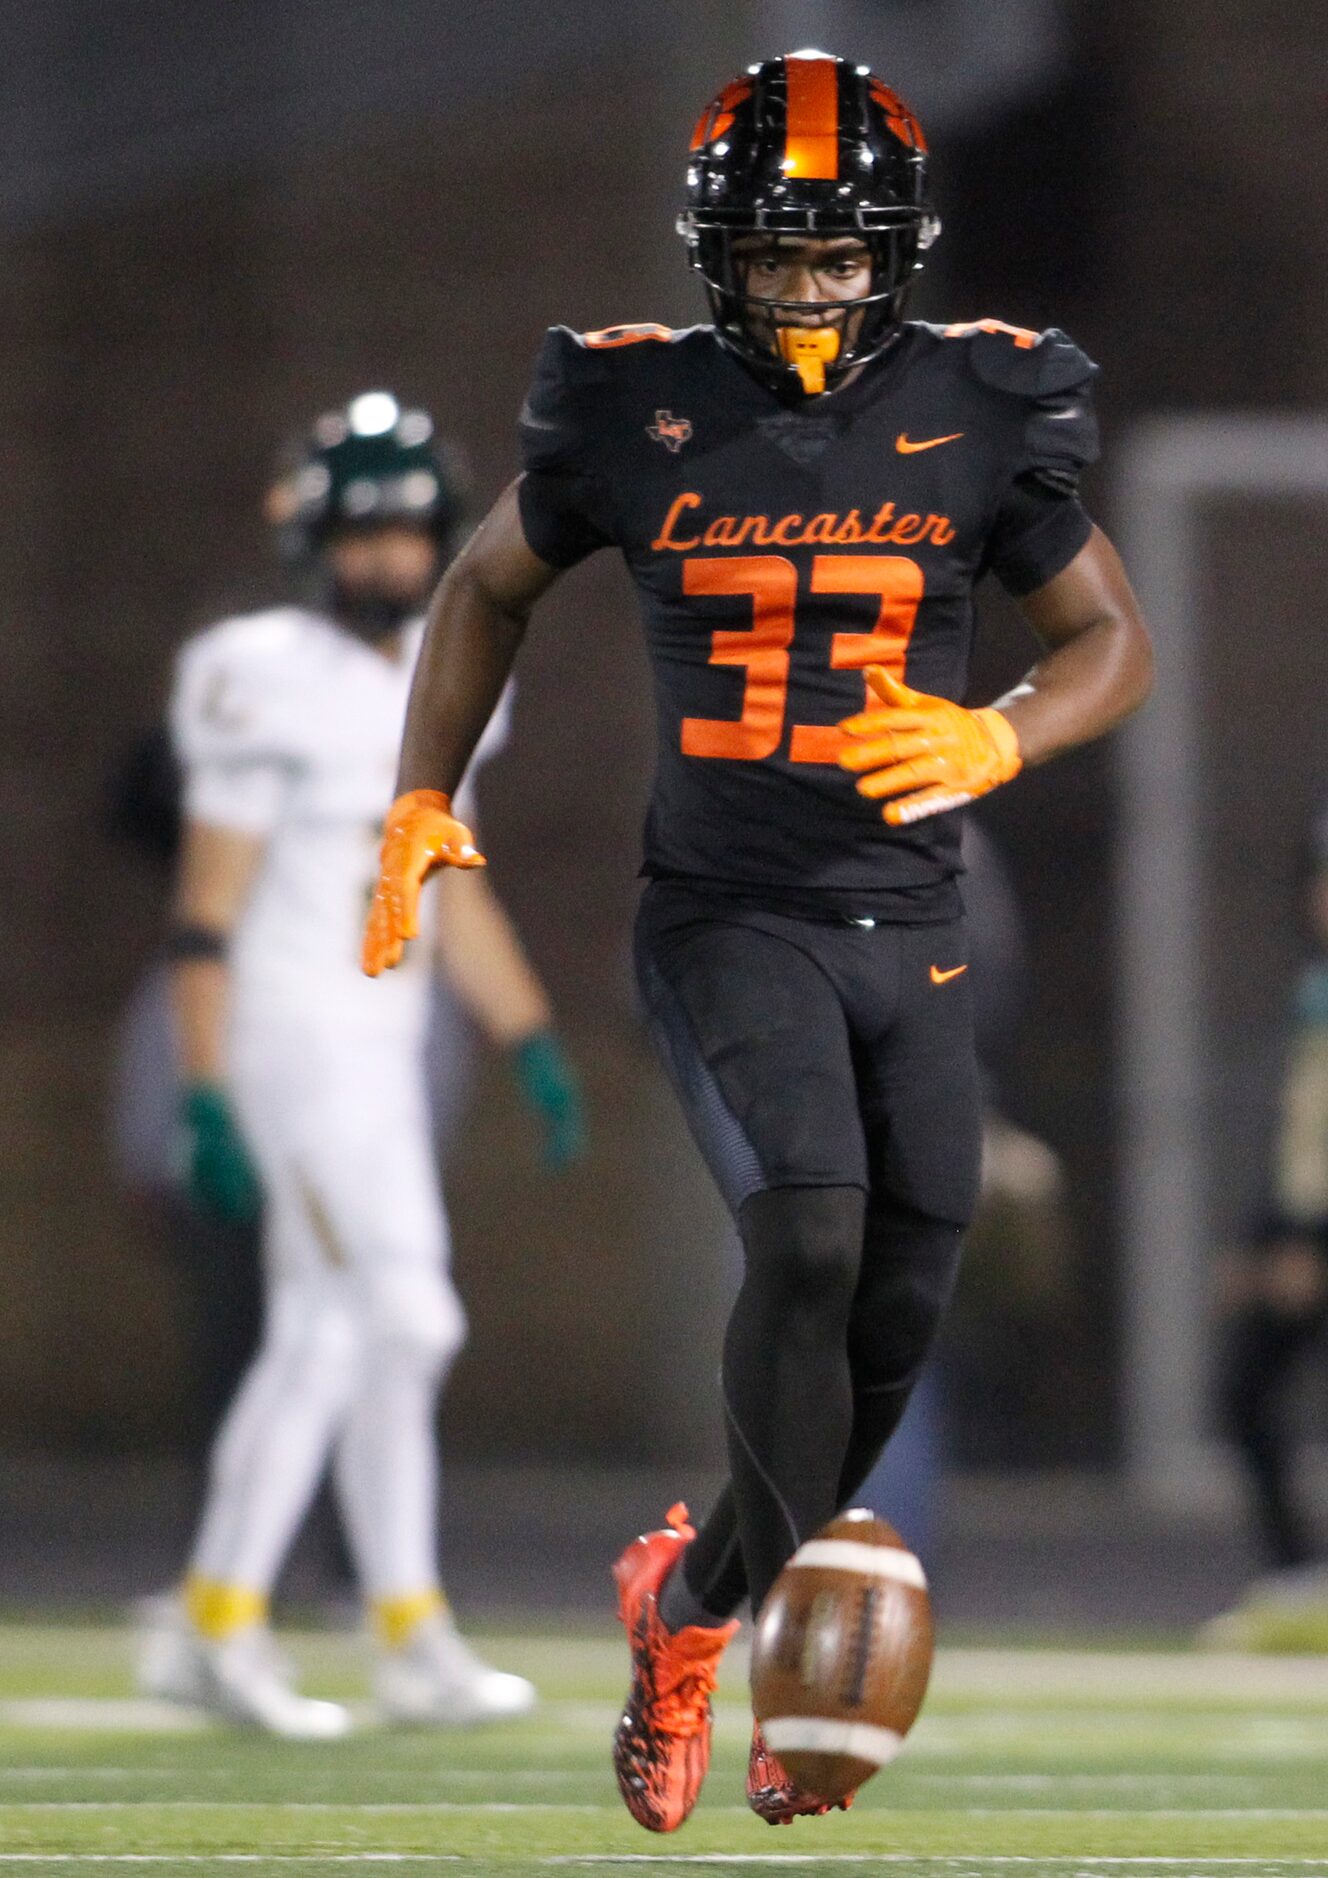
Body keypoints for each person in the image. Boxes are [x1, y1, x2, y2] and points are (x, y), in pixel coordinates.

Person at [362, 50, 1152, 1827]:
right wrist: (419, 792)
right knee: (803, 1240)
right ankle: (752, 1633)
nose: (806, 288)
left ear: (898, 251)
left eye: (836, 254)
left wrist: (998, 728)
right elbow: (488, 580)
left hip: (914, 921)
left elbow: (1107, 634)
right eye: (776, 256)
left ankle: (686, 1599)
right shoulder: (628, 406)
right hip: (727, 913)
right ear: (717, 252)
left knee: (894, 1306)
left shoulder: (987, 400)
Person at [140, 392, 584, 1736]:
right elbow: (205, 906)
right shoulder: (253, 668)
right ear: (313, 540)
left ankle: (408, 1626)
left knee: (385, 1334)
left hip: (384, 1048)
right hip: (290, 1035)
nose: (391, 559)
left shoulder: (447, 665)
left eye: (408, 531)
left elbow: (448, 883)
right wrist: (204, 1085)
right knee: (373, 1319)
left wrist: (529, 1037)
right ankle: (217, 1616)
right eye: (365, 532)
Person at [1203, 812, 1328, 1649]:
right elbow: (1300, 1131)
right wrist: (1262, 1239)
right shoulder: (1313, 984)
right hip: (1302, 1223)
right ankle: (1297, 1575)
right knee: (1245, 1391)